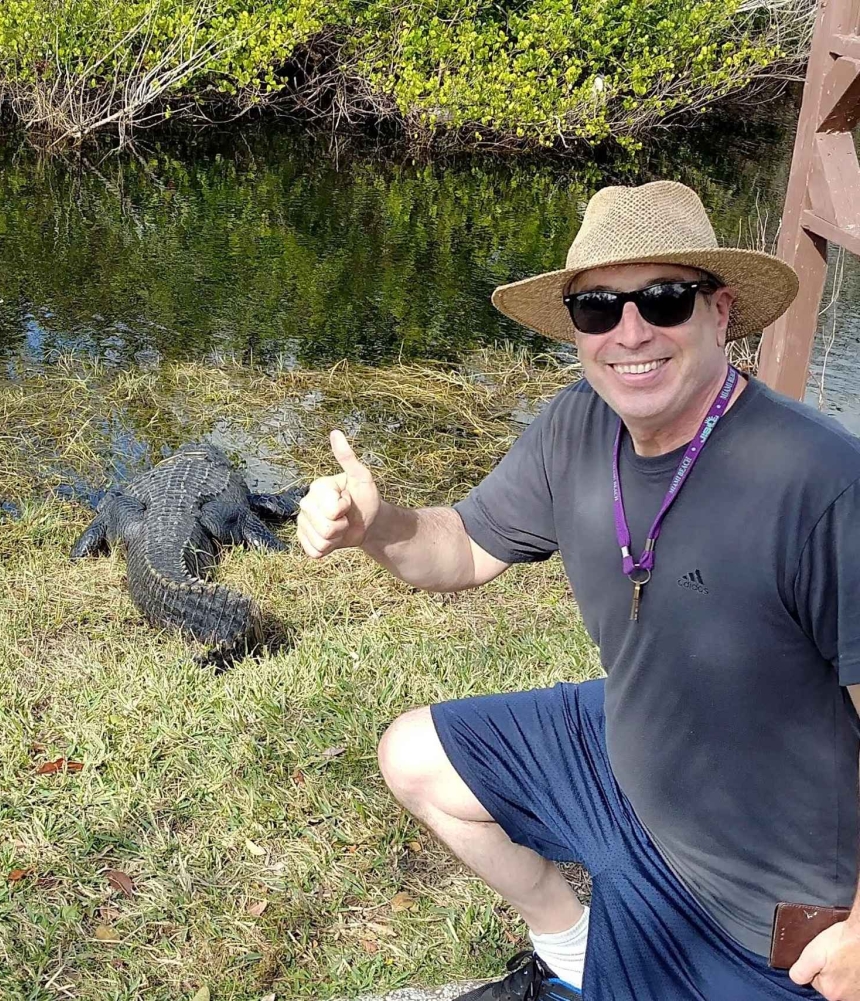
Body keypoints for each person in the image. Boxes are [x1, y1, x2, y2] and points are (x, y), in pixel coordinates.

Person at [296, 180, 860, 1000]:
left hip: (759, 898)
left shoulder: (820, 479)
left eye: (664, 299)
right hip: (633, 762)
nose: (630, 332)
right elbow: (458, 550)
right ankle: (571, 943)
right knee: (415, 756)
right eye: (598, 308)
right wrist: (378, 527)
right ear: (576, 330)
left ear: (722, 312)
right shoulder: (576, 428)